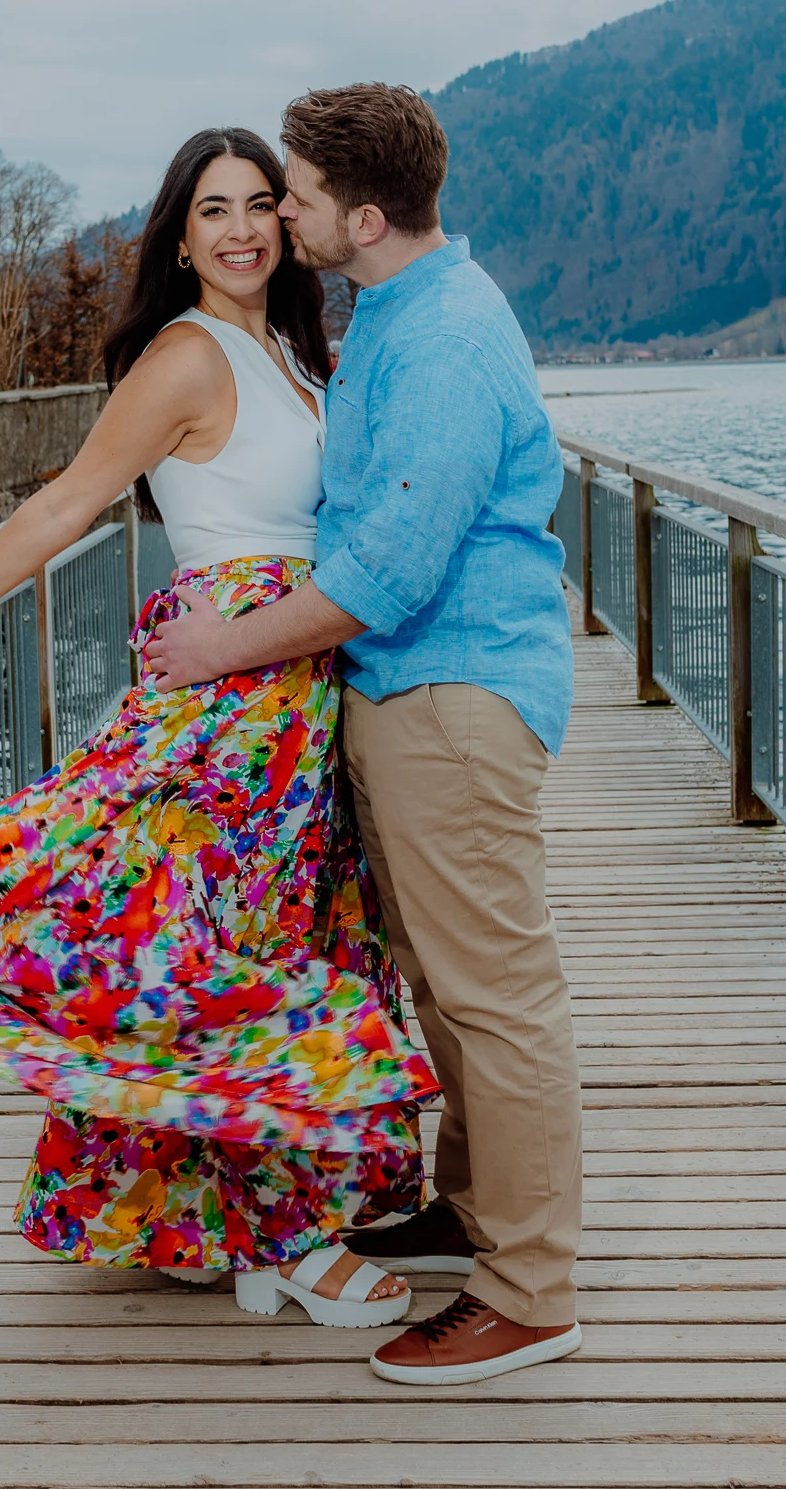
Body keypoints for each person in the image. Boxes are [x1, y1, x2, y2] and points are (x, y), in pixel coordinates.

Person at [0, 126, 437, 1329]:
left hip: (295, 686)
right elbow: (65, 502)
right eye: (214, 211)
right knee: (230, 960)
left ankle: (250, 1224)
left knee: (280, 945)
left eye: (261, 203)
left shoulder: (297, 355)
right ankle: (284, 1241)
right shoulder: (187, 357)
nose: (243, 228)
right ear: (179, 234)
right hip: (230, 695)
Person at [146, 82, 583, 1386]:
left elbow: (390, 563)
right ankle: (477, 1204)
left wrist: (218, 643)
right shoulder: (391, 311)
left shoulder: (442, 338)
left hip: (451, 688)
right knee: (446, 977)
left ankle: (531, 1287)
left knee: (495, 993)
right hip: (407, 689)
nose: (281, 211)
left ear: (367, 212)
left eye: (297, 193)